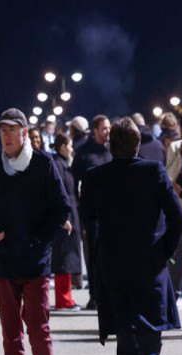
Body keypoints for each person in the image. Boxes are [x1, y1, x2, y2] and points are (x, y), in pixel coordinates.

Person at [79, 117, 182, 355]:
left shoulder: (95, 177)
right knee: (151, 343)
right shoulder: (153, 172)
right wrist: (165, 252)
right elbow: (178, 218)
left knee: (126, 342)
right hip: (150, 266)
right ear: (138, 145)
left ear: (110, 146)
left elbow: (85, 218)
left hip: (113, 268)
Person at [0, 108, 70, 355]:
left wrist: (39, 241)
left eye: (10, 130)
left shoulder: (44, 165)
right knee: (11, 335)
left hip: (34, 262)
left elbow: (62, 209)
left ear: (24, 132)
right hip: (5, 261)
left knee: (38, 330)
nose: (5, 136)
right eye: (1, 131)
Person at [72, 114, 112, 310]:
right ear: (95, 130)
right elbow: (73, 184)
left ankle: (110, 294)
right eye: (104, 129)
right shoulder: (84, 153)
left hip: (113, 215)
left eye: (109, 128)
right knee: (94, 256)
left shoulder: (113, 150)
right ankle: (95, 296)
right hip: (93, 216)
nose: (108, 132)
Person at [164, 112, 182, 308]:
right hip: (181, 216)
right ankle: (168, 306)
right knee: (175, 263)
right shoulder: (175, 147)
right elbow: (169, 178)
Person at [50, 134, 82, 310]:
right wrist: (65, 218)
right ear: (62, 146)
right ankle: (63, 299)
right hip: (66, 213)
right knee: (63, 256)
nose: (72, 149)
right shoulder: (58, 164)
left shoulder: (63, 163)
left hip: (71, 210)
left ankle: (66, 297)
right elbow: (59, 192)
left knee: (69, 256)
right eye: (69, 145)